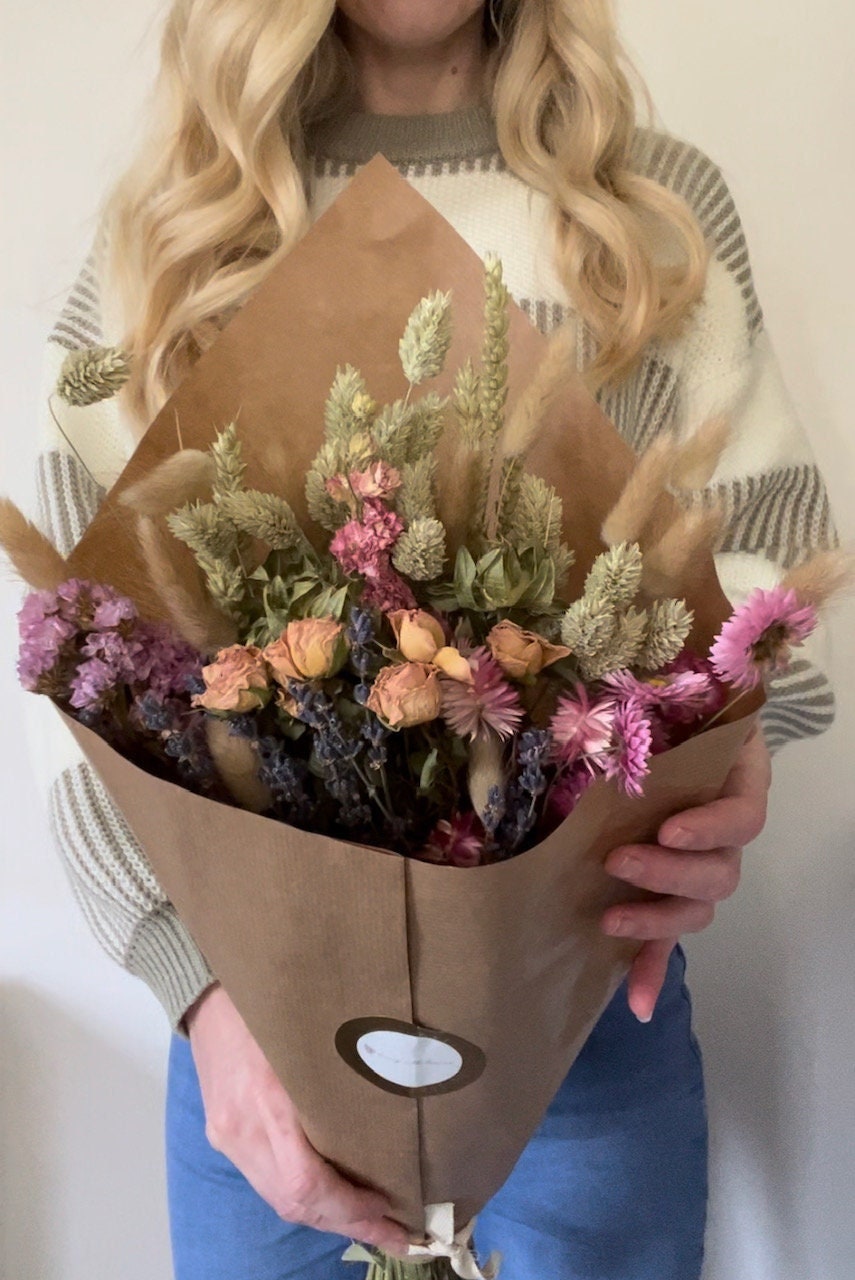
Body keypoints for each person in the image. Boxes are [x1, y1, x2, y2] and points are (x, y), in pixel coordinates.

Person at [32, 2, 838, 1278]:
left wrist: (722, 773)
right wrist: (196, 986)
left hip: (589, 1034)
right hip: (258, 1066)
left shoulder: (650, 217)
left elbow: (771, 585)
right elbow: (79, 657)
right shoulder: (178, 231)